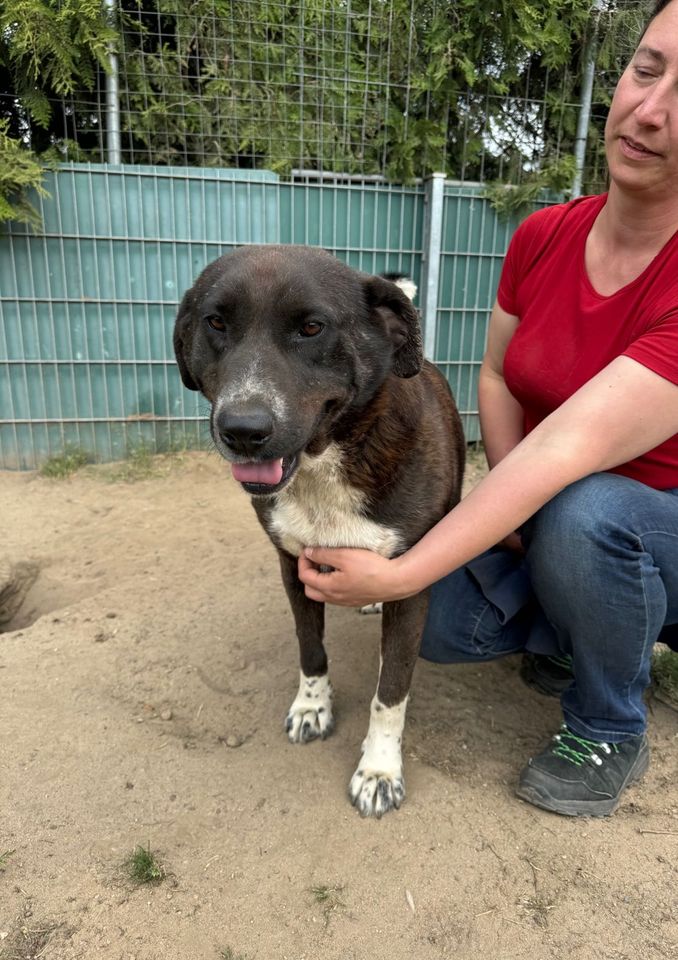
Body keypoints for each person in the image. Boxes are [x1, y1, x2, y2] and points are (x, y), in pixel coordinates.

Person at [297, 0, 678, 818]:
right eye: (648, 68)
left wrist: (400, 569)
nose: (651, 110)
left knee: (584, 511)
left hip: (647, 526)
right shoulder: (543, 235)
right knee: (437, 625)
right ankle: (573, 634)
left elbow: (565, 452)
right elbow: (500, 377)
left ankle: (609, 722)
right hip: (557, 503)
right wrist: (506, 512)